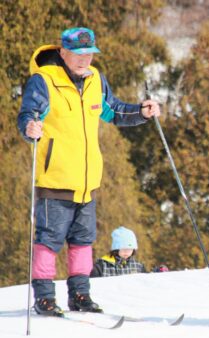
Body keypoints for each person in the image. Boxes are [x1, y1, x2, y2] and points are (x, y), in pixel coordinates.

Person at [17, 27, 161, 317]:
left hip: (88, 181)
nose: (85, 60)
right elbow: (28, 116)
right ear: (63, 52)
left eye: (90, 54)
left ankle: (80, 294)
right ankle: (44, 297)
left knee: (83, 240)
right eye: (79, 54)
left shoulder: (96, 80)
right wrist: (30, 128)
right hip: (55, 178)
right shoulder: (43, 81)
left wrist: (142, 113)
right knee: (48, 239)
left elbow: (113, 111)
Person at [91, 226, 157, 278]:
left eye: (130, 249)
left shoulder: (138, 266)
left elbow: (147, 280)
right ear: (116, 249)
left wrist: (157, 272)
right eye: (123, 249)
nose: (127, 252)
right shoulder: (102, 265)